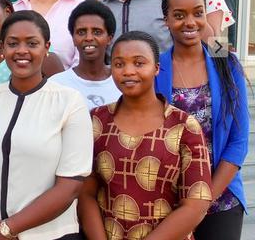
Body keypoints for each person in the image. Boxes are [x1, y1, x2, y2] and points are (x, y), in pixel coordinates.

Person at [0, 10, 92, 240]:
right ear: (2, 48)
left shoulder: (69, 102)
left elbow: (70, 186)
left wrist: (7, 228)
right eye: (12, 43)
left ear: (46, 47)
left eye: (32, 43)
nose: (21, 51)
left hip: (50, 235)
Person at [79, 31, 212, 240]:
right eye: (119, 64)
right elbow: (86, 193)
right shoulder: (96, 120)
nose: (128, 71)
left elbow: (197, 203)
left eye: (139, 63)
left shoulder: (184, 125)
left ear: (157, 68)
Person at [155, 0, 248, 240]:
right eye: (179, 15)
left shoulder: (224, 61)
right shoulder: (155, 66)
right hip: (169, 199)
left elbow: (239, 142)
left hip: (221, 197)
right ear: (166, 21)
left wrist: (203, 200)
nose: (190, 22)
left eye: (198, 13)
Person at [49, 1, 120, 109]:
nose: (89, 38)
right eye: (81, 32)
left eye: (97, 32)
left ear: (109, 38)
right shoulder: (56, 85)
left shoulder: (122, 82)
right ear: (73, 38)